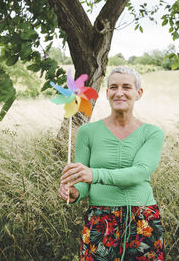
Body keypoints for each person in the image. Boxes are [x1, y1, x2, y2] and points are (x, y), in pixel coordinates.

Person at [59, 66, 165, 261]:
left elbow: (140, 172)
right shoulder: (87, 132)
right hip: (100, 218)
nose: (119, 93)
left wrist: (95, 174)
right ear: (106, 93)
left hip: (142, 217)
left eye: (126, 87)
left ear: (138, 93)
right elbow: (83, 180)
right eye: (113, 87)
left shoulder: (152, 133)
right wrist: (75, 192)